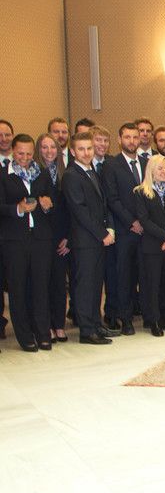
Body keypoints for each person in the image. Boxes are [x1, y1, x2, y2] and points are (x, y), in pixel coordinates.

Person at [1, 133, 55, 351]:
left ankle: (43, 333)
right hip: (15, 240)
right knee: (18, 289)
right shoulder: (4, 175)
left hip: (41, 238)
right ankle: (25, 336)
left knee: (41, 287)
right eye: (20, 154)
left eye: (29, 154)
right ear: (13, 152)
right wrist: (18, 209)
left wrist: (47, 204)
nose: (24, 158)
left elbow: (52, 200)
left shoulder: (41, 173)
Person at [62, 132, 117, 345]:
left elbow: (103, 204)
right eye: (81, 149)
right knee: (85, 286)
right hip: (85, 241)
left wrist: (109, 228)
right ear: (73, 151)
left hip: (98, 240)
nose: (86, 153)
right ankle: (86, 330)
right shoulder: (71, 175)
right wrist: (102, 233)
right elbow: (80, 211)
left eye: (89, 148)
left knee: (96, 285)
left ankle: (96, 324)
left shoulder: (91, 170)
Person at [102, 122, 146, 334]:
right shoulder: (111, 165)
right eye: (127, 137)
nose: (132, 141)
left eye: (135, 137)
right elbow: (112, 199)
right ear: (120, 140)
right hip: (124, 231)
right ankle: (125, 318)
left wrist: (145, 222)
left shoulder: (147, 162)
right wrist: (132, 222)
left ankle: (148, 316)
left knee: (145, 274)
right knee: (124, 277)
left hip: (146, 230)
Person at [133, 155, 165, 337]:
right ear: (151, 170)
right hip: (152, 246)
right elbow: (144, 220)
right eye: (160, 168)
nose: (164, 171)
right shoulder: (140, 192)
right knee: (153, 285)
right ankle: (154, 320)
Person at [37, 134, 69, 343]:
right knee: (43, 284)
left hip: (61, 237)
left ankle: (59, 324)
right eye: (44, 147)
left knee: (59, 283)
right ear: (38, 150)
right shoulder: (35, 173)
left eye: (53, 147)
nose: (49, 151)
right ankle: (45, 325)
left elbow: (70, 209)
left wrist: (68, 237)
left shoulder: (65, 174)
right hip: (41, 237)